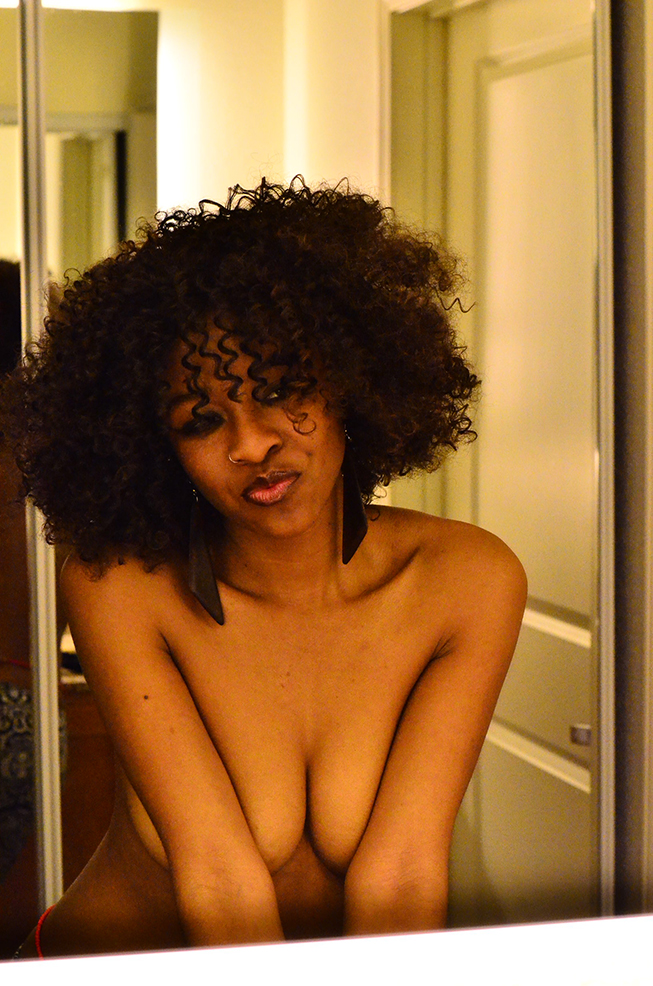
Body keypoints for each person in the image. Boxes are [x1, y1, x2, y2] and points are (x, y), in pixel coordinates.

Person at [1, 179, 526, 958]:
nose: (251, 444)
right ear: (157, 445)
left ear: (352, 380)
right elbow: (219, 882)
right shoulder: (122, 585)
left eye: (278, 391)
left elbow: (403, 876)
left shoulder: (466, 580)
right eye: (201, 421)